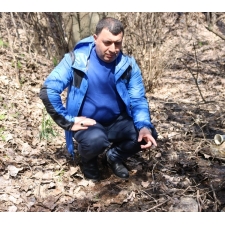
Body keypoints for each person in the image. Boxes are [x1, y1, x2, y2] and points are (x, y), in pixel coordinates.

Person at [39, 17, 158, 181]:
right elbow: (49, 90)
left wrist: (144, 125)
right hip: (87, 124)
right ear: (95, 39)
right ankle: (88, 161)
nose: (113, 49)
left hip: (117, 121)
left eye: (118, 43)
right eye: (107, 42)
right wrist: (68, 121)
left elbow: (138, 99)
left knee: (147, 133)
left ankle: (114, 156)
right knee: (95, 140)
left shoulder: (128, 65)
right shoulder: (75, 60)